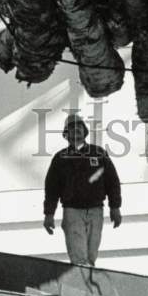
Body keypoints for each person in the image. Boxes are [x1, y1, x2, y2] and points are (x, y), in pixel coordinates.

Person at [43, 113, 122, 267]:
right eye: (72, 128)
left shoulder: (98, 153)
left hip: (96, 211)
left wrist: (115, 208)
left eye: (79, 127)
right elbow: (51, 189)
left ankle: (88, 288)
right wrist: (49, 214)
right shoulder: (60, 158)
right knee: (79, 259)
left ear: (85, 131)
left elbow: (112, 181)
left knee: (91, 257)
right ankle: (84, 287)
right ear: (66, 135)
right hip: (72, 212)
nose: (76, 131)